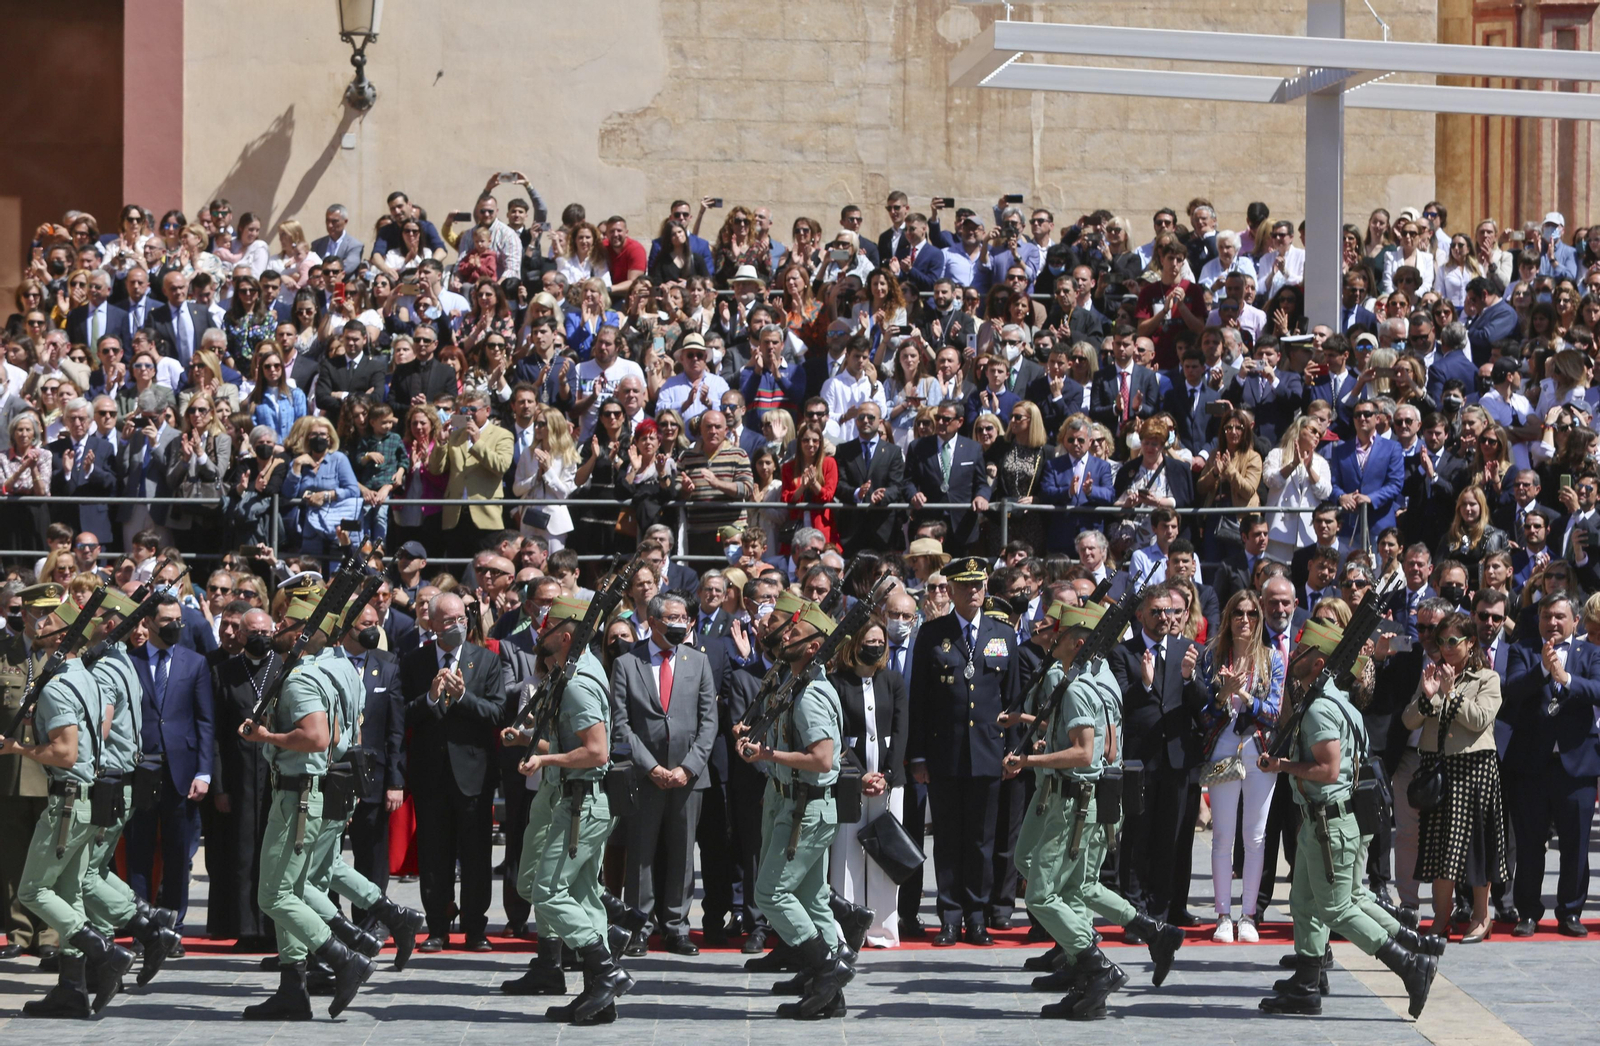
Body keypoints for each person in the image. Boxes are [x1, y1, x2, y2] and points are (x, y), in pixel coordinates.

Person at [1003, 600, 1185, 1019]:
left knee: (1044, 893)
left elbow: (1085, 753)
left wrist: (1029, 760)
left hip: (1076, 800)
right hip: (1080, 798)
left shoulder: (1080, 685)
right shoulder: (1084, 679)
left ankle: (1093, 965)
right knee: (1076, 889)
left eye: (1060, 635)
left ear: (1078, 642)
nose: (1050, 640)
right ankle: (1135, 945)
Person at [1257, 616, 1440, 1019]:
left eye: (1303, 652)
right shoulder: (1336, 701)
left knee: (1339, 909)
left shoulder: (1322, 709)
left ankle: (1410, 966)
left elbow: (1326, 769)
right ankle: (1306, 982)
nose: (1296, 656)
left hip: (1329, 822)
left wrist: (1282, 765)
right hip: (1320, 819)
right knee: (1304, 901)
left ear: (1318, 663)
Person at [234, 596, 374, 1020]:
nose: (278, 627)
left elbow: (316, 737)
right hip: (315, 790)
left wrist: (265, 738)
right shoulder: (339, 669)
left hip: (298, 795)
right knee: (290, 891)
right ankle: (292, 987)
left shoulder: (300, 679)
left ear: (305, 631)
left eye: (287, 622)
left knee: (274, 895)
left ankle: (343, 958)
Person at [4, 588, 138, 1018]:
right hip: (86, 799)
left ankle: (103, 953)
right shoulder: (86, 674)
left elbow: (64, 752)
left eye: (46, 622)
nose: (36, 625)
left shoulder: (58, 685)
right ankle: (71, 988)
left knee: (33, 889)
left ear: (62, 634)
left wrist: (19, 749)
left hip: (67, 800)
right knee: (68, 892)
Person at [511, 595, 634, 1024]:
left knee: (548, 891)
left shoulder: (579, 682)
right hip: (584, 801)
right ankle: (599, 998)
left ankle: (604, 969)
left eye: (546, 631)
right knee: (583, 894)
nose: (539, 637)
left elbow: (596, 752)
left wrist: (544, 760)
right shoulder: (577, 671)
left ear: (565, 636)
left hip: (581, 803)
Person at [737, 603, 855, 1020]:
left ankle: (826, 969)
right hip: (801, 804)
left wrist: (770, 753)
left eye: (795, 633)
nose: (784, 636)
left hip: (805, 810)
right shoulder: (800, 684)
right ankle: (828, 993)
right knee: (813, 899)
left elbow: (823, 760)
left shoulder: (811, 695)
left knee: (770, 893)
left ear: (815, 647)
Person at [907, 556, 1021, 945]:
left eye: (978, 584)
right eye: (965, 585)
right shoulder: (932, 633)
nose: (973, 591)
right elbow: (918, 700)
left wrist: (1012, 751)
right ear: (951, 590)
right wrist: (918, 755)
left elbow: (1013, 698)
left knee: (982, 840)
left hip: (988, 752)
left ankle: (977, 914)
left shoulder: (1002, 634)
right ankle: (950, 915)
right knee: (948, 838)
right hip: (945, 752)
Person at [77, 590, 183, 984]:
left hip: (105, 780)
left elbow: (98, 729)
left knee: (83, 874)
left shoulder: (106, 666)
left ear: (106, 624)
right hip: (122, 781)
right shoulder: (122, 661)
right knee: (96, 870)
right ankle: (149, 925)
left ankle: (145, 930)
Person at [399, 592, 508, 952]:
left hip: (473, 775)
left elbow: (497, 713)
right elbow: (402, 715)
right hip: (431, 773)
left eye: (461, 618)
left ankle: (476, 928)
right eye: (448, 620)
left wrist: (464, 697)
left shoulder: (486, 660)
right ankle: (437, 927)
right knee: (434, 856)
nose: (457, 625)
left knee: (476, 855)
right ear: (431, 623)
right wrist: (430, 699)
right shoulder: (415, 661)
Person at [609, 593, 718, 955]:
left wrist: (688, 767)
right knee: (641, 851)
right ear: (653, 622)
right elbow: (621, 725)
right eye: (671, 617)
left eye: (684, 617)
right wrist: (651, 767)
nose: (679, 623)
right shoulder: (627, 663)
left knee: (683, 851)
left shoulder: (698, 662)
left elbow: (708, 723)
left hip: (689, 776)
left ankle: (676, 926)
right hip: (645, 775)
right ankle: (638, 927)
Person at [1402, 609, 1507, 944]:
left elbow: (1478, 720)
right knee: (1438, 848)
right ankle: (1441, 918)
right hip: (1439, 772)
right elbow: (1408, 721)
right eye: (1441, 640)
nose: (1445, 647)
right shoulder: (1431, 674)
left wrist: (1451, 693)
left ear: (1470, 642)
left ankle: (1481, 915)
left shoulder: (1486, 678)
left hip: (1474, 770)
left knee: (1476, 847)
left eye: (1453, 640)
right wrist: (1427, 694)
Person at [1500, 591, 1600, 938]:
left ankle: (1570, 911)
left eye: (1559, 616)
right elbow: (1512, 688)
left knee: (1575, 844)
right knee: (1529, 844)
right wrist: (1544, 669)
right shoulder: (1523, 650)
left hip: (1577, 765)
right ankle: (1528, 911)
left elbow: (1598, 690)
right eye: (1546, 616)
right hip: (1531, 765)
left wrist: (1565, 678)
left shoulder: (1591, 653)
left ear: (1575, 620)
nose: (1552, 623)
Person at [1111, 584, 1203, 926]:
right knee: (1136, 837)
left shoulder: (1189, 649)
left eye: (1171, 611)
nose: (1165, 617)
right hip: (1140, 758)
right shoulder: (1124, 652)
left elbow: (1203, 703)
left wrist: (1190, 678)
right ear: (1140, 615)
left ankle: (1160, 912)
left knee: (1170, 838)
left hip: (1177, 759)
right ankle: (1135, 914)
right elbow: (1118, 701)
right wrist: (1145, 684)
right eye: (1157, 612)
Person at [122, 594, 213, 939]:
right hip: (140, 771)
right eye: (167, 620)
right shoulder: (129, 662)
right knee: (139, 853)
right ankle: (144, 930)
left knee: (178, 857)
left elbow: (205, 721)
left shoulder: (195, 663)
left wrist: (204, 772)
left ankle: (173, 928)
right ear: (147, 623)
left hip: (182, 772)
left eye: (179, 620)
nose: (175, 626)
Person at [1197, 589, 1284, 942]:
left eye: (1250, 614)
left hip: (1259, 751)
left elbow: (1275, 712)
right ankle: (1222, 915)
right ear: (1229, 618)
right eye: (1238, 613)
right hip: (1222, 750)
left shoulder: (1272, 659)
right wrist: (1221, 695)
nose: (1244, 620)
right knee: (1222, 836)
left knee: (1256, 836)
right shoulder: (1212, 657)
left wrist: (1246, 697)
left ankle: (1248, 915)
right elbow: (1204, 716)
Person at [827, 619, 909, 948]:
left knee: (885, 853)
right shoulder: (837, 682)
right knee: (846, 853)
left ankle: (883, 929)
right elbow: (835, 732)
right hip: (851, 776)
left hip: (888, 779)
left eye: (879, 641)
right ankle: (847, 927)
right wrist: (860, 774)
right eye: (869, 640)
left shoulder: (893, 680)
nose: (875, 646)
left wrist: (887, 775)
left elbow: (902, 730)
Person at [428, 390, 513, 560]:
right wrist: (442, 442)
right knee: (456, 567)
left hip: (485, 515)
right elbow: (436, 469)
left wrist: (477, 442)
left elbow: (501, 466)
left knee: (485, 567)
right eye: (464, 411)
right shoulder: (455, 435)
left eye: (473, 410)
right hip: (456, 515)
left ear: (487, 411)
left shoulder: (502, 435)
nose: (468, 415)